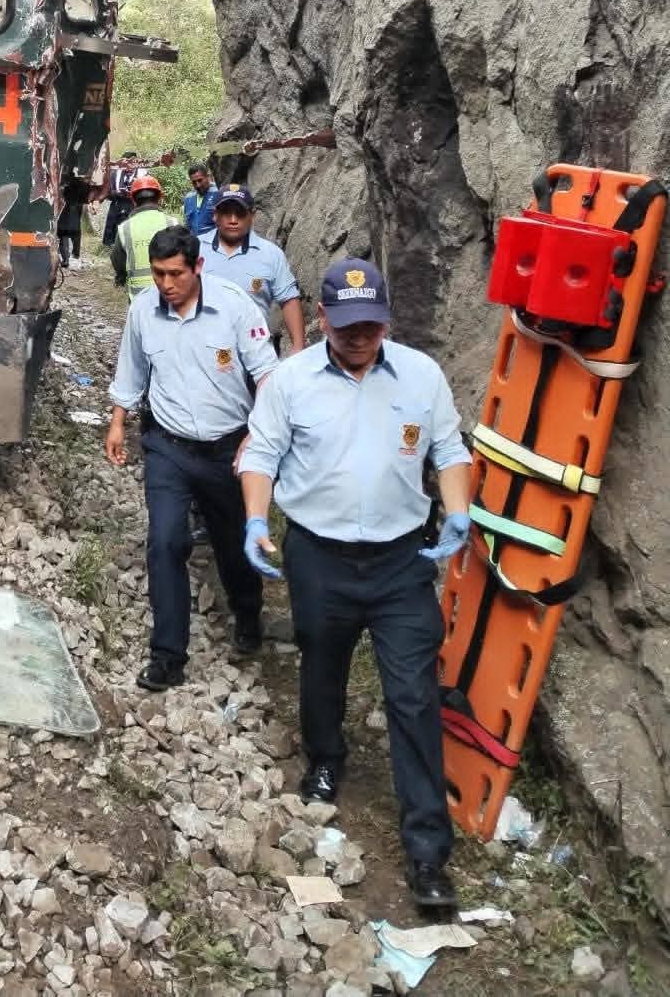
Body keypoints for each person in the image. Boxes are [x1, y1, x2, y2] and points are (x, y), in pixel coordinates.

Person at [237, 258, 472, 911]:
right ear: (322, 319)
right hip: (320, 553)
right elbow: (259, 454)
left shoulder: (421, 377)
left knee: (414, 694)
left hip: (400, 560)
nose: (359, 336)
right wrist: (257, 518)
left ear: (387, 319)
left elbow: (449, 452)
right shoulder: (291, 380)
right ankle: (324, 755)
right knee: (322, 662)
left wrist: (458, 509)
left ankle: (427, 850)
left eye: (370, 325)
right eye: (346, 326)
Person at [107, 225, 279, 690]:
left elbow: (268, 375)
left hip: (228, 448)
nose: (166, 284)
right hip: (168, 446)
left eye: (176, 274)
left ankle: (247, 612)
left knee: (232, 544)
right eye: (160, 274)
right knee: (164, 541)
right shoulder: (144, 310)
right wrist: (119, 420)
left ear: (197, 267)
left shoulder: (235, 307)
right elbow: (132, 368)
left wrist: (259, 434)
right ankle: (168, 656)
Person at [200, 185, 306, 356]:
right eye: (226, 212)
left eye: (240, 213)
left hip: (256, 354)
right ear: (215, 215)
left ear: (252, 216)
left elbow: (289, 300)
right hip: (205, 353)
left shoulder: (271, 255)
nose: (233, 219)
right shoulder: (195, 250)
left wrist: (298, 348)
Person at [111, 176, 172, 299]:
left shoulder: (125, 228)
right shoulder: (172, 223)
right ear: (160, 198)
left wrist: (121, 276)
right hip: (170, 292)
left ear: (133, 200)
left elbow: (117, 259)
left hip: (138, 297)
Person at [101, 151, 141, 247]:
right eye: (125, 164)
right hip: (117, 203)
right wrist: (116, 193)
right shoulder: (114, 173)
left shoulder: (143, 174)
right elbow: (107, 192)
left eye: (131, 163)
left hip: (134, 206)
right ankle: (111, 245)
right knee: (113, 226)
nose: (128, 166)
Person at [58, 175, 90, 270]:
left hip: (67, 209)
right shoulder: (84, 184)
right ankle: (74, 255)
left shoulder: (64, 182)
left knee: (64, 233)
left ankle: (66, 258)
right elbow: (86, 199)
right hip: (73, 210)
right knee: (73, 232)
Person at [184, 163, 219, 237]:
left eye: (200, 180)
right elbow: (187, 225)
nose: (198, 185)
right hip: (194, 244)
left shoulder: (219, 193)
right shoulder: (189, 198)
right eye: (194, 182)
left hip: (212, 244)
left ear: (208, 177)